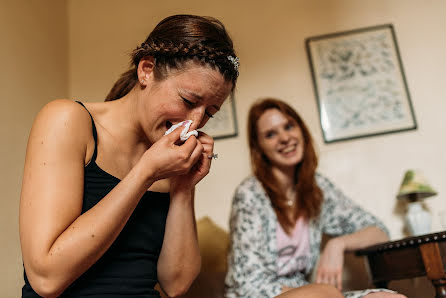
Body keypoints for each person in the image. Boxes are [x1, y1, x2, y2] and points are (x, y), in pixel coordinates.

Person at [19, 14, 239, 298]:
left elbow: (176, 284)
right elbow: (46, 278)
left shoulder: (170, 159)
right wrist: (144, 172)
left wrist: (183, 187)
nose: (195, 123)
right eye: (188, 101)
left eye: (209, 113)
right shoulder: (67, 120)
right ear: (146, 70)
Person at [225, 98, 407, 298]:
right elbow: (248, 285)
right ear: (258, 147)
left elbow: (378, 232)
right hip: (260, 296)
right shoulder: (249, 194)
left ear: (301, 130)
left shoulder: (318, 188)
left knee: (391, 297)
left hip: (312, 294)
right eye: (270, 134)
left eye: (289, 126)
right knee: (326, 292)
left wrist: (338, 244)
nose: (284, 138)